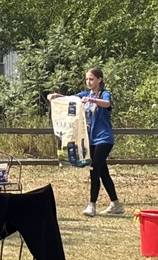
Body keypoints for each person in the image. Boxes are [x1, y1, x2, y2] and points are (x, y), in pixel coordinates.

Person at [48, 67, 124, 216]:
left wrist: (92, 100)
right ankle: (116, 204)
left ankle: (92, 205)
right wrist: (57, 96)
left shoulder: (104, 94)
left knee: (94, 170)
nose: (88, 82)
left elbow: (107, 104)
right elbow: (71, 99)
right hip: (91, 139)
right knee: (103, 172)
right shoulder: (85, 94)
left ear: (99, 80)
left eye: (91, 79)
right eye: (87, 79)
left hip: (104, 138)